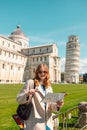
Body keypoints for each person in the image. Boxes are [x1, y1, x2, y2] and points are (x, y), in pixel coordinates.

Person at [16, 63, 64, 130]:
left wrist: (58, 105)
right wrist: (28, 94)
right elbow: (19, 99)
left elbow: (50, 105)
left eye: (44, 72)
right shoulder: (31, 83)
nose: (42, 74)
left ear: (47, 73)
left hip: (47, 122)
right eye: (40, 72)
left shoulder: (49, 87)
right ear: (37, 72)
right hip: (35, 122)